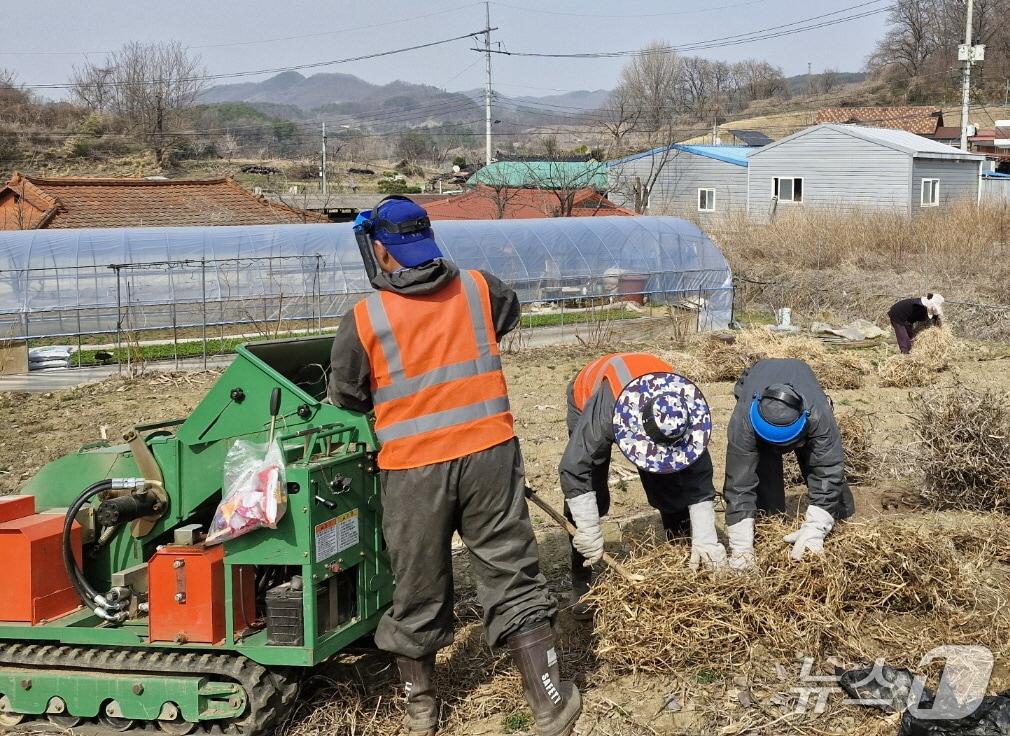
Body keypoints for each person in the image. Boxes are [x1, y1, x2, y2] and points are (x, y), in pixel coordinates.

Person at [327, 196, 580, 736]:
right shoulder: (481, 288)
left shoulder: (365, 319)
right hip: (490, 454)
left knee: (417, 582)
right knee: (510, 569)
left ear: (380, 252)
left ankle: (421, 709)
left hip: (414, 469)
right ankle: (549, 702)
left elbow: (346, 396)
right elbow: (505, 318)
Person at [560, 352, 727, 618]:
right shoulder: (604, 413)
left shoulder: (682, 412)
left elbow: (698, 476)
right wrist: (588, 528)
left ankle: (683, 557)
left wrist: (706, 537)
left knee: (669, 482)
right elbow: (575, 467)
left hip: (648, 399)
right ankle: (582, 582)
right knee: (590, 493)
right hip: (589, 397)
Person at [723, 358, 856, 571]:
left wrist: (816, 527)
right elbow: (738, 482)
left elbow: (828, 469)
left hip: (802, 384)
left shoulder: (818, 416)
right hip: (757, 382)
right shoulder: (744, 422)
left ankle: (839, 518)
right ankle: (770, 522)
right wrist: (740, 548)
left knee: (818, 463)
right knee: (763, 466)